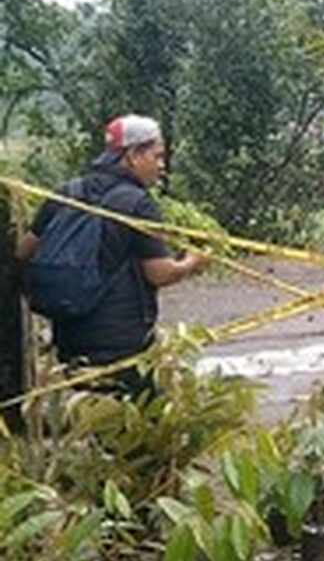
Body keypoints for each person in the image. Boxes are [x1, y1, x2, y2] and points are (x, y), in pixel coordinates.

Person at [15, 114, 207, 395]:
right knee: (138, 424)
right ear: (132, 156)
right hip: (122, 343)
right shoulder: (137, 203)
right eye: (157, 156)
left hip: (69, 339)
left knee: (93, 418)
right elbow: (159, 273)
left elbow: (23, 250)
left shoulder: (68, 192)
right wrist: (192, 262)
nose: (162, 166)